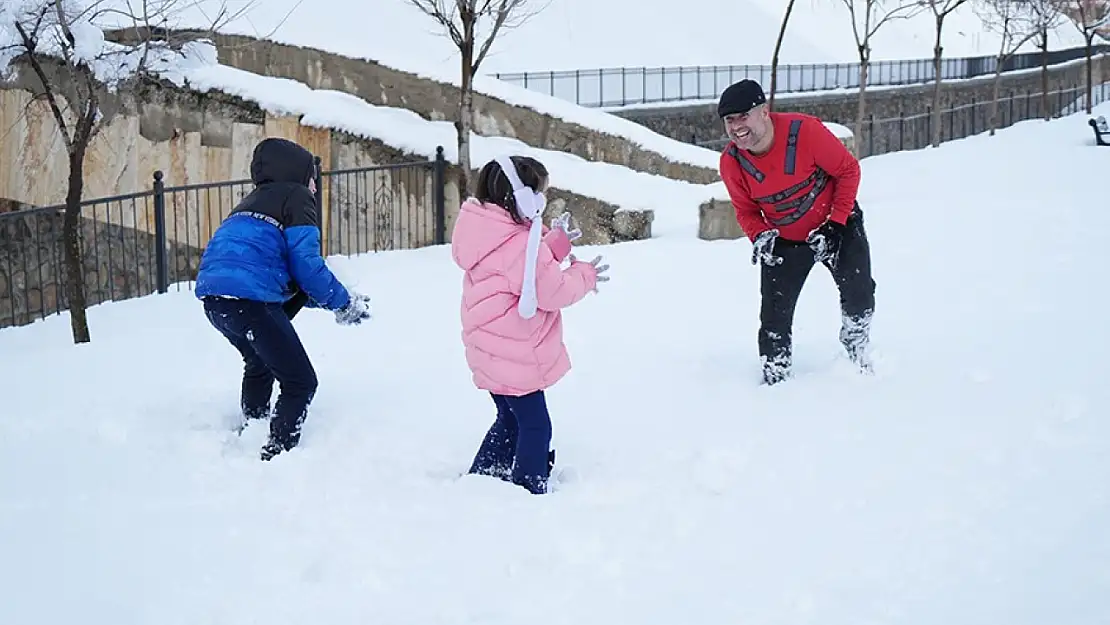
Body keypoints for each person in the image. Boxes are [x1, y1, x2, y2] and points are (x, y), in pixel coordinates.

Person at [195, 136, 371, 460]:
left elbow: (286, 278)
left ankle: (254, 425)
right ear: (301, 176)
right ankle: (278, 453)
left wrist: (331, 299)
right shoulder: (297, 197)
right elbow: (307, 266)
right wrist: (343, 304)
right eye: (314, 179)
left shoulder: (248, 204)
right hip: (249, 301)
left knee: (259, 362)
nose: (315, 189)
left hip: (215, 300)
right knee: (301, 381)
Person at [451, 154, 609, 494]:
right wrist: (585, 274)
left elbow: (518, 265)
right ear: (520, 199)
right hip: (516, 356)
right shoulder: (522, 244)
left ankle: (483, 477)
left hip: (490, 351)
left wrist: (555, 245)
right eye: (538, 194)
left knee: (510, 420)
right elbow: (552, 290)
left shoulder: (484, 231)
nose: (542, 202)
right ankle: (527, 490)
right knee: (536, 426)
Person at [715, 79, 876, 385]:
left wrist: (836, 223)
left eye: (742, 116)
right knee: (774, 320)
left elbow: (848, 170)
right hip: (785, 241)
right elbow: (746, 210)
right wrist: (760, 235)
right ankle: (776, 379)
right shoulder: (732, 163)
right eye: (729, 120)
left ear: (764, 111)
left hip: (837, 226)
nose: (736, 127)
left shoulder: (805, 133)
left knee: (860, 296)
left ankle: (857, 353)